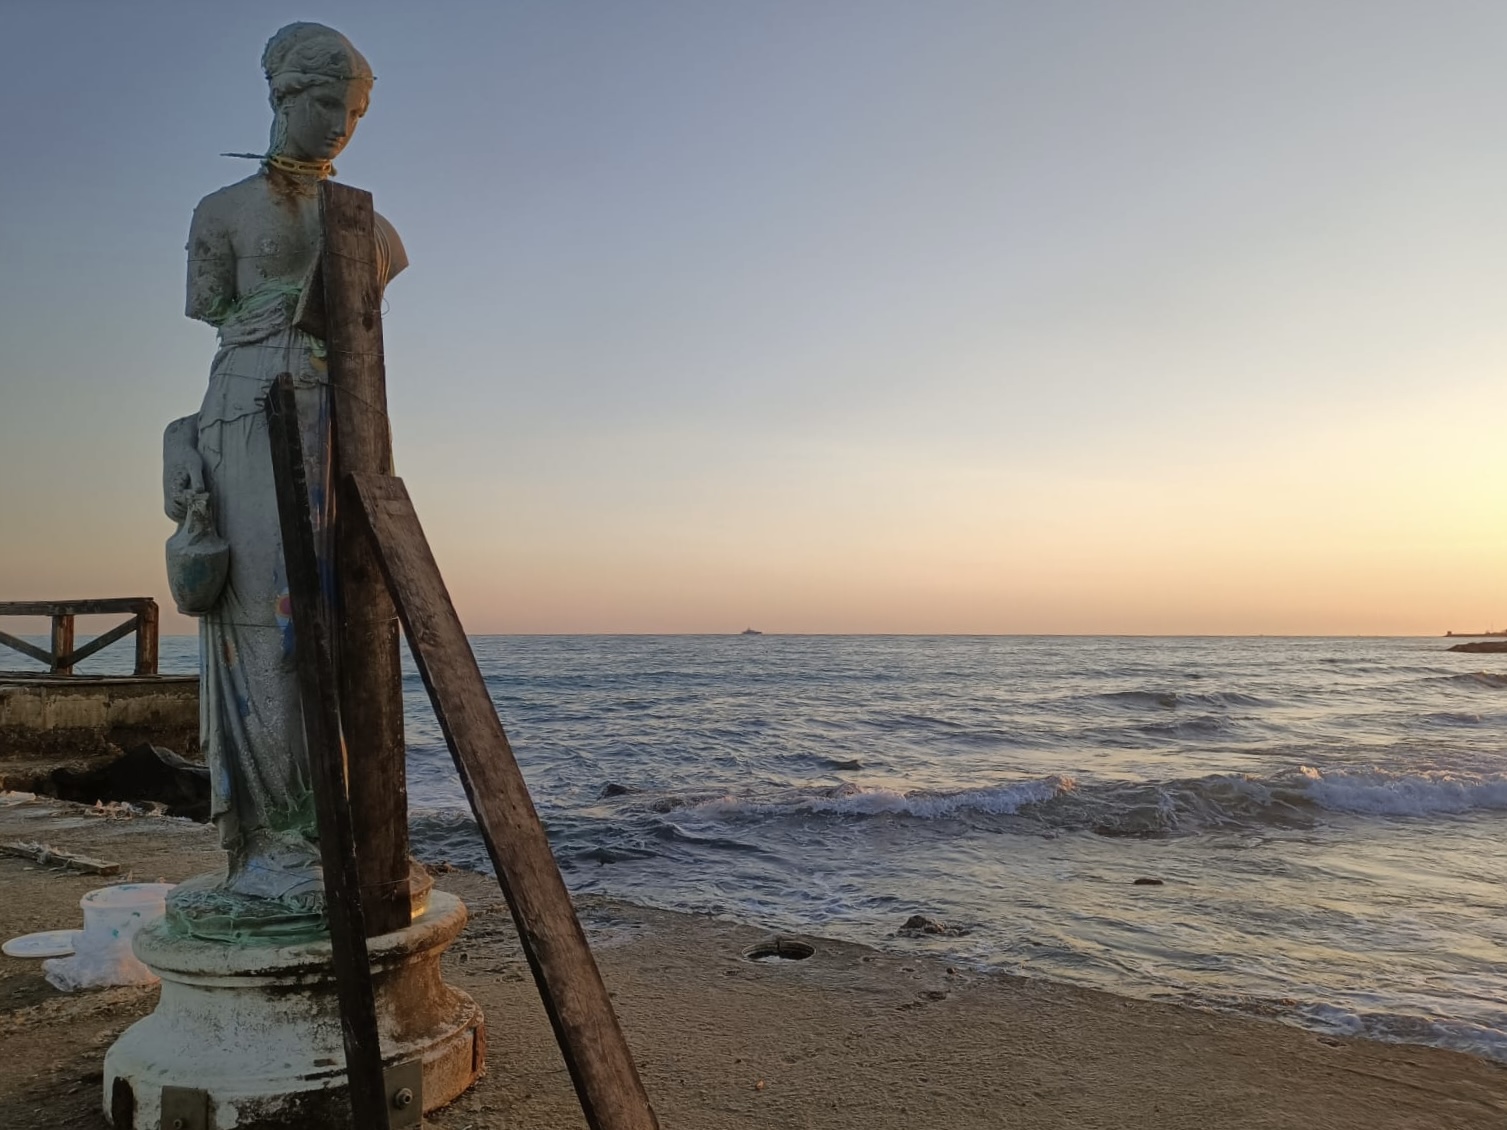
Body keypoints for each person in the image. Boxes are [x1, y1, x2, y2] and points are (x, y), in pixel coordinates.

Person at [163, 22, 406, 938]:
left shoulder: (369, 228)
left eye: (355, 112)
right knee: (268, 632)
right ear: (282, 96)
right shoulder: (220, 213)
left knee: (341, 631)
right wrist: (177, 443)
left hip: (342, 425)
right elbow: (219, 327)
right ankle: (270, 844)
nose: (342, 126)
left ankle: (344, 828)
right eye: (327, 106)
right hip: (240, 421)